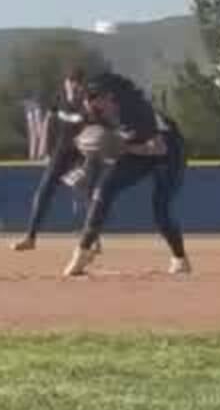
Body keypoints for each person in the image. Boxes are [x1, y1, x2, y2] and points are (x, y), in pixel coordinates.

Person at [63, 71, 189, 277]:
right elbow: (95, 142)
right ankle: (83, 252)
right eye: (88, 100)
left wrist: (121, 148)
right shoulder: (95, 112)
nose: (90, 104)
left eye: (94, 98)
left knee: (161, 209)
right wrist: (85, 167)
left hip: (168, 150)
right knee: (104, 189)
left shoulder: (137, 110)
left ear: (109, 97)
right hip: (137, 149)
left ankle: (180, 259)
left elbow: (159, 149)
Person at [13, 67, 103, 251]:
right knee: (43, 192)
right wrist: (45, 148)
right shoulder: (59, 98)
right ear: (66, 83)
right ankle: (30, 238)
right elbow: (49, 119)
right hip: (61, 153)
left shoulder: (89, 103)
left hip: (82, 154)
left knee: (84, 193)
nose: (74, 87)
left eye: (78, 83)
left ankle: (93, 240)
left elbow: (97, 130)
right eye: (71, 82)